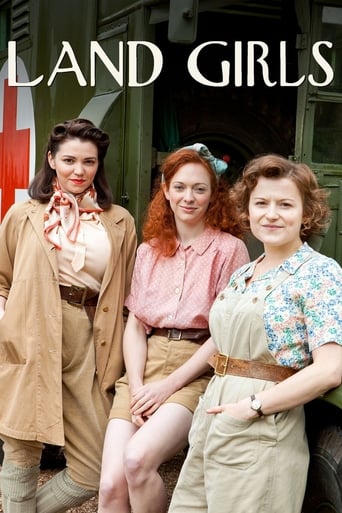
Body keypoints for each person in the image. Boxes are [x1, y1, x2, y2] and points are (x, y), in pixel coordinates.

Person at [168, 153, 342, 513]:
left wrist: (253, 407)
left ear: (306, 213)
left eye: (285, 204)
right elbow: (222, 341)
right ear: (247, 210)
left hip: (264, 427)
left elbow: (330, 368)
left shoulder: (320, 274)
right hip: (212, 419)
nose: (271, 213)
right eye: (261, 203)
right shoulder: (244, 273)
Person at [98, 144, 250, 513]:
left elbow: (224, 333)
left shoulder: (229, 250)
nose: (189, 197)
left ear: (214, 194)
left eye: (200, 188)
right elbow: (136, 323)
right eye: (180, 187)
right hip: (143, 364)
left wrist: (167, 386)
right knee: (110, 485)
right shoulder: (150, 250)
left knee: (137, 461)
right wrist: (136, 386)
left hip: (195, 368)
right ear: (165, 189)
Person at [0, 118, 137, 512]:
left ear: (99, 166)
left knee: (95, 467)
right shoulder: (25, 214)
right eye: (70, 160)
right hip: (28, 328)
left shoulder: (119, 221)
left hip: (89, 333)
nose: (79, 170)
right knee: (22, 445)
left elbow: (126, 290)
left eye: (89, 162)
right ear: (52, 160)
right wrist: (6, 322)